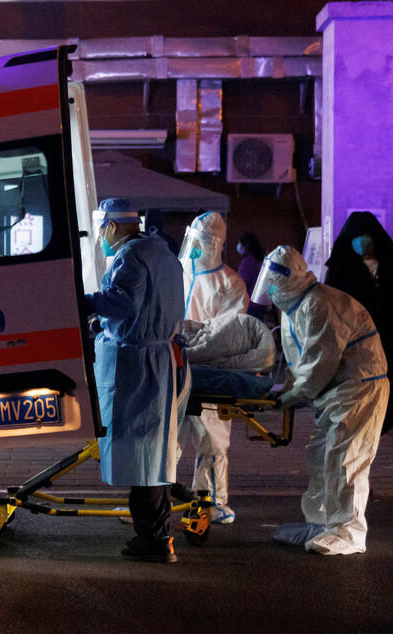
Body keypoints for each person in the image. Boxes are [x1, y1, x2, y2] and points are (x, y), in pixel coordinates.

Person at [253, 245, 389, 556]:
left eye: (273, 281)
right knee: (320, 457)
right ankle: (322, 522)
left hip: (359, 387)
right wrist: (285, 388)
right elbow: (296, 359)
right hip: (335, 391)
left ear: (289, 278)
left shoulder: (319, 304)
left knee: (345, 458)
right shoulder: (293, 308)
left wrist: (290, 396)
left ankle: (348, 532)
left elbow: (318, 365)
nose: (269, 288)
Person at [84, 198, 189, 564]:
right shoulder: (163, 254)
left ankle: (155, 539)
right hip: (159, 359)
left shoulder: (130, 256)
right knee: (151, 453)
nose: (101, 239)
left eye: (102, 231)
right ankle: (155, 534)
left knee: (140, 452)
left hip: (138, 365)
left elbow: (124, 302)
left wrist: (87, 303)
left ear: (113, 226)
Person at [178, 210, 249, 524]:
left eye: (203, 241)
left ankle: (212, 501)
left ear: (216, 243)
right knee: (161, 439)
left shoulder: (230, 283)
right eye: (195, 240)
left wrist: (193, 337)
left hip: (209, 371)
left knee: (212, 439)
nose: (196, 247)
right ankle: (151, 500)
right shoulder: (177, 271)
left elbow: (227, 331)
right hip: (171, 365)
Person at [324, 212, 393, 434]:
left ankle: (382, 420)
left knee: (386, 380)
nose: (361, 241)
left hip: (386, 335)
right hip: (354, 339)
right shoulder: (342, 268)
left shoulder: (390, 266)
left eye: (365, 235)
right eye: (356, 236)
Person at [236, 231, 268, 321]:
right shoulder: (258, 258)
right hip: (259, 303)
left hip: (250, 305)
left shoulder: (248, 260)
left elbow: (243, 281)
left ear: (245, 245)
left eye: (239, 243)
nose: (238, 245)